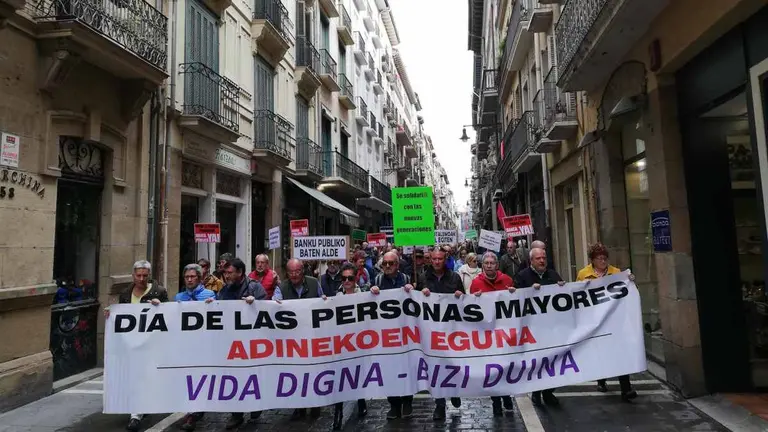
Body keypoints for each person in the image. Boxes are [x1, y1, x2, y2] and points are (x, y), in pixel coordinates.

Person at [105, 260, 168, 432]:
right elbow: (122, 314)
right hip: (131, 344)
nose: (141, 279)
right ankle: (138, 411)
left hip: (150, 343)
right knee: (134, 378)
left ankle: (138, 413)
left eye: (144, 276)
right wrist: (111, 313)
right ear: (133, 276)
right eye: (138, 275)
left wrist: (160, 306)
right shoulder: (126, 293)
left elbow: (169, 317)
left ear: (149, 276)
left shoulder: (159, 291)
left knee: (144, 377)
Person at [576, 242, 638, 402]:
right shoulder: (583, 274)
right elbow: (576, 295)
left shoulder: (616, 273)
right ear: (592, 260)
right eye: (599, 259)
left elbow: (627, 290)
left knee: (620, 353)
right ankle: (601, 380)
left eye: (605, 258)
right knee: (602, 351)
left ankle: (626, 388)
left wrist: (630, 280)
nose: (603, 261)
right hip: (595, 321)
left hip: (614, 319)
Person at [211, 258, 267, 429]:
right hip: (233, 342)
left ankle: (255, 405)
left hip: (252, 342)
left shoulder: (255, 287)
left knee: (253, 375)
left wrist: (255, 304)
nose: (226, 276)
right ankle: (236, 414)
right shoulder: (225, 289)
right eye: (225, 273)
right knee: (235, 376)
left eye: (230, 273)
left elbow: (267, 310)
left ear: (240, 273)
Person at [514, 248, 565, 407]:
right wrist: (528, 291)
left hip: (552, 327)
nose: (542, 261)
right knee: (537, 361)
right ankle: (536, 392)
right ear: (531, 261)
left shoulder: (553, 275)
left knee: (553, 360)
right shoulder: (522, 277)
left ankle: (548, 391)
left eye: (544, 258)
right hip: (532, 328)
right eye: (538, 258)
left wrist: (562, 287)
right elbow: (514, 298)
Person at [274, 258, 325, 420]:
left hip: (311, 336)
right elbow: (274, 304)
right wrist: (274, 304)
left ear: (303, 271)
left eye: (297, 271)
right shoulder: (281, 287)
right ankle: (299, 405)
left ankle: (315, 404)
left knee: (313, 371)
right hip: (292, 339)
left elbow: (322, 300)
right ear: (286, 273)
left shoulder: (313, 283)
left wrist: (324, 301)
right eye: (291, 272)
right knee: (295, 372)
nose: (294, 274)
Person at [370, 252, 416, 419]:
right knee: (389, 370)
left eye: (391, 263)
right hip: (385, 335)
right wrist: (371, 292)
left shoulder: (406, 279)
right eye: (385, 264)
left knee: (406, 368)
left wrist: (412, 291)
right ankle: (394, 404)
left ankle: (407, 401)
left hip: (405, 333)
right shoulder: (377, 281)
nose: (387, 266)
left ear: (397, 265)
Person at [419, 247, 463, 420]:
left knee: (452, 364)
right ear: (430, 260)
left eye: (440, 259)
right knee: (436, 368)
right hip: (432, 331)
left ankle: (454, 391)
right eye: (434, 259)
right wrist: (420, 293)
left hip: (451, 330)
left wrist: (460, 296)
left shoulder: (455, 277)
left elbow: (465, 303)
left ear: (445, 259)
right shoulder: (423, 278)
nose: (437, 262)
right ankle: (439, 404)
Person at [470, 252, 516, 416]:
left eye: (492, 263)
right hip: (486, 333)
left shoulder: (507, 281)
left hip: (504, 332)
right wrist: (474, 298)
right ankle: (496, 400)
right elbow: (470, 309)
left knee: (505, 366)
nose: (489, 265)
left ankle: (506, 396)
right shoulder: (476, 283)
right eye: (486, 263)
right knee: (491, 369)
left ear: (497, 265)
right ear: (483, 265)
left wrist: (513, 293)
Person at [177, 264, 216, 431]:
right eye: (187, 277)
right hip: (186, 346)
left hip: (204, 346)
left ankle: (195, 413)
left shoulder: (210, 295)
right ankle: (192, 410)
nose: (190, 280)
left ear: (199, 278)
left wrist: (213, 305)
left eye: (193, 277)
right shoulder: (179, 297)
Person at [332, 263, 368, 429]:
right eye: (344, 278)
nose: (347, 281)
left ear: (356, 279)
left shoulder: (365, 295)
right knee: (340, 377)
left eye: (350, 278)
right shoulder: (336, 296)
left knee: (358, 374)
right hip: (341, 343)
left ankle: (361, 401)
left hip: (359, 342)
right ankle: (337, 414)